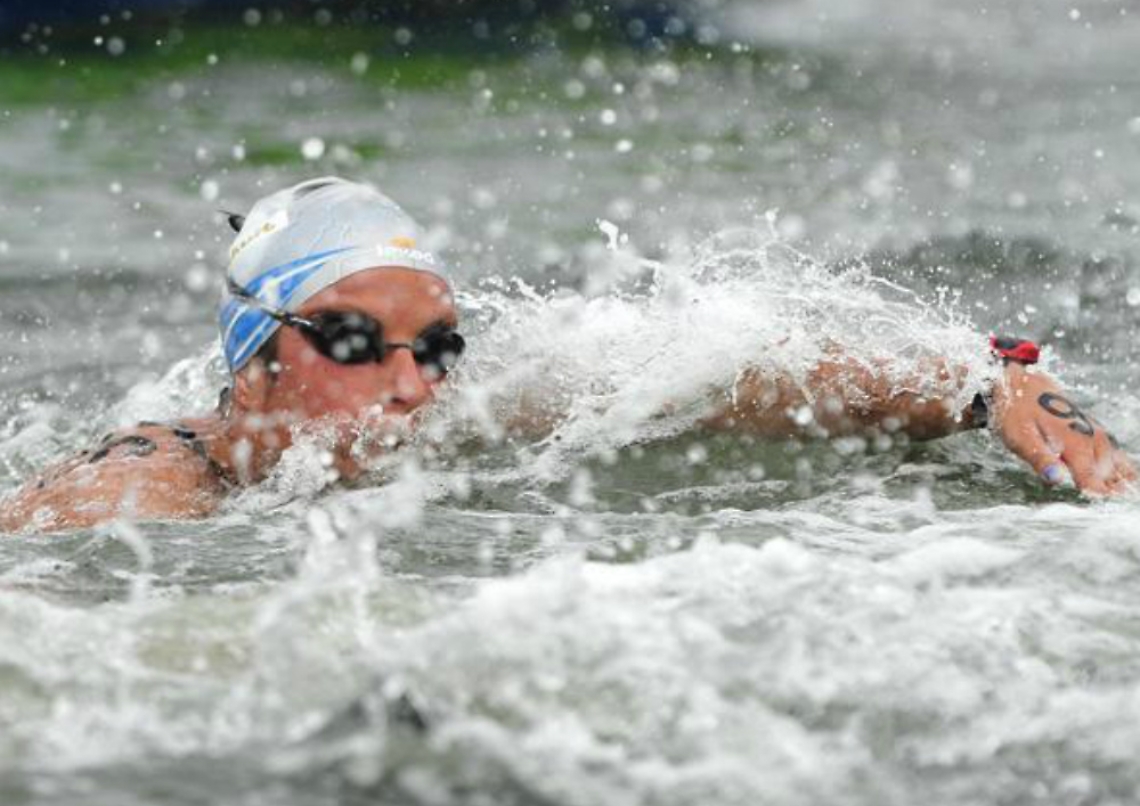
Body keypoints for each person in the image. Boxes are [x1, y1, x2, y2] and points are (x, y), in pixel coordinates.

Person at [0, 177, 1133, 532]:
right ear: (253, 359)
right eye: (352, 339)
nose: (413, 382)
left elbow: (747, 366)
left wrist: (990, 381)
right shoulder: (145, 490)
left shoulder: (465, 411)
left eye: (439, 346)